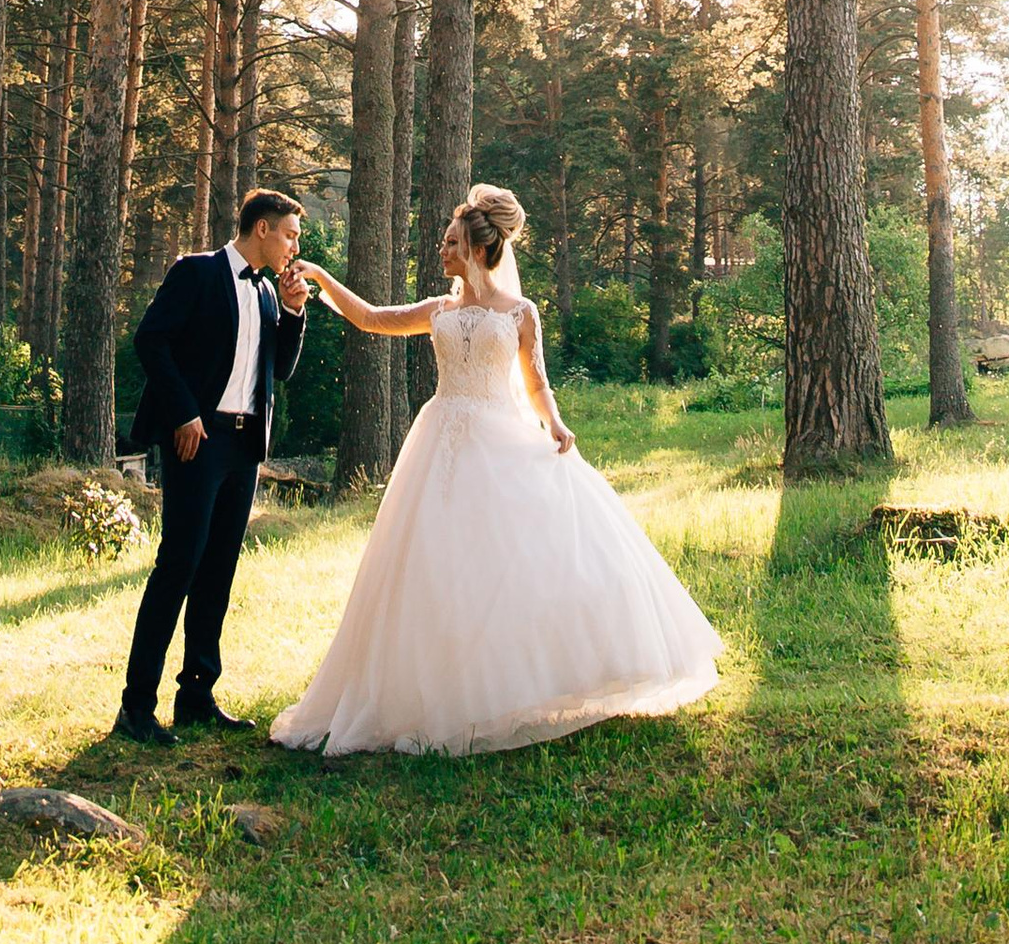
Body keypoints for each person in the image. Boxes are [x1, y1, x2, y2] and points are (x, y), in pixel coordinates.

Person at [272, 182, 720, 758]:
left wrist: (554, 423)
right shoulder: (438, 309)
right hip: (440, 443)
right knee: (434, 566)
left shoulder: (519, 312)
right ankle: (433, 694)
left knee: (524, 562)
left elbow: (535, 382)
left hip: (500, 437)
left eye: (451, 241)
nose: (442, 248)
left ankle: (534, 682)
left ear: (480, 250)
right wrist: (322, 280)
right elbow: (373, 318)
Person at [112, 185, 311, 744]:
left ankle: (197, 697)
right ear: (264, 229)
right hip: (196, 440)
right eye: (291, 235)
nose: (294, 247)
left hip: (245, 446)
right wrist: (184, 413)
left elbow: (282, 372)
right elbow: (151, 341)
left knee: (219, 572)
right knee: (178, 566)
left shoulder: (272, 293)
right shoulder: (196, 272)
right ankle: (136, 707)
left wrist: (294, 313)